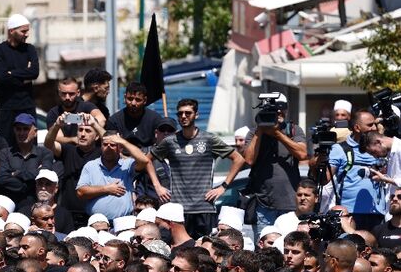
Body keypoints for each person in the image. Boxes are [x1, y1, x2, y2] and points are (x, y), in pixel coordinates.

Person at [146, 99, 245, 238]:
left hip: (204, 208)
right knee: (181, 253)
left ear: (196, 115)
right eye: (180, 113)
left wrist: (223, 186)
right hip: (178, 210)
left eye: (188, 113)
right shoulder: (170, 141)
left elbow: (239, 159)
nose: (184, 116)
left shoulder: (209, 139)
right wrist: (157, 186)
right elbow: (147, 160)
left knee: (203, 253)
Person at [241, 92, 308, 237]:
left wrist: (277, 133)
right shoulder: (254, 133)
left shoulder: (294, 130)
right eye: (273, 110)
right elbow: (249, 160)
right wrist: (260, 129)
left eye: (281, 109)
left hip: (290, 204)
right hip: (264, 204)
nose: (278, 113)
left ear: (286, 110)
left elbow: (302, 154)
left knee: (291, 245)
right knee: (266, 249)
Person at [323, 110, 382, 230]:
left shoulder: (381, 148)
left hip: (378, 213)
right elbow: (325, 179)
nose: (374, 128)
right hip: (349, 213)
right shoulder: (340, 149)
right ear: (357, 127)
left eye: (375, 124)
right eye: (370, 125)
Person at [44, 112, 104, 227]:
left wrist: (95, 125)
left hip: (93, 213)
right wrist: (57, 125)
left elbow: (112, 141)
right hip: (68, 212)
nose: (82, 134)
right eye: (80, 130)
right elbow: (48, 144)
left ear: (96, 136)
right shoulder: (68, 150)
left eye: (88, 131)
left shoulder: (102, 152)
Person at [0, 13, 39, 147]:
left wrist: (12, 73)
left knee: (29, 147)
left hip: (26, 106)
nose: (27, 34)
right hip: (5, 107)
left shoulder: (30, 50)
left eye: (27, 30)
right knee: (1, 147)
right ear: (12, 31)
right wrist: (24, 77)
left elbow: (34, 72)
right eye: (23, 31)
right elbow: (2, 77)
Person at [76, 133, 149, 222]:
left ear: (120, 147)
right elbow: (80, 192)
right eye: (105, 144)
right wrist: (106, 189)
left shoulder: (127, 165)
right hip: (96, 224)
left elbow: (144, 161)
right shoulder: (91, 166)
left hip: (124, 222)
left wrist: (123, 142)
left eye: (113, 145)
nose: (109, 147)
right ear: (101, 146)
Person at [0, 113, 55, 212]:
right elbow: (3, 179)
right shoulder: (5, 153)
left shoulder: (45, 153)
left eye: (26, 129)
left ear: (35, 132)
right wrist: (28, 185)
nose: (21, 132)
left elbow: (44, 175)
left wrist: (17, 173)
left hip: (36, 208)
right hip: (9, 207)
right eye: (18, 129)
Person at [46, 77, 105, 144]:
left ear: (78, 93)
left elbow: (102, 119)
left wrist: (93, 127)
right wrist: (74, 139)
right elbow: (57, 138)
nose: (67, 97)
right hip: (65, 151)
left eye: (71, 94)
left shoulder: (87, 106)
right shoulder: (54, 113)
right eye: (64, 93)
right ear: (59, 93)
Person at [106, 82, 163, 150]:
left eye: (138, 100)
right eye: (130, 99)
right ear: (124, 98)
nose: (133, 103)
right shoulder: (114, 120)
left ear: (145, 100)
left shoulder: (155, 119)